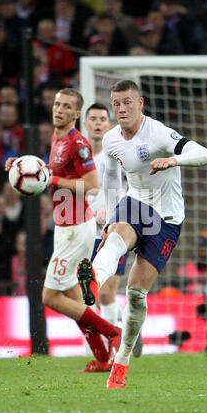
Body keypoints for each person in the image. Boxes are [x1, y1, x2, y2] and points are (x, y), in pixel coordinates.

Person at [77, 79, 207, 388]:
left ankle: (121, 363)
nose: (122, 108)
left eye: (127, 102)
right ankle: (93, 280)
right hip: (135, 204)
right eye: (116, 103)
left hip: (168, 219)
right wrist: (109, 216)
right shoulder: (111, 140)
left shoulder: (159, 133)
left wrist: (173, 160)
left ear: (140, 104)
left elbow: (205, 154)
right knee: (116, 236)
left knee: (136, 295)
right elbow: (111, 181)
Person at [5, 87, 122, 373]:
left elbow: (92, 186)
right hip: (63, 225)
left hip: (75, 229)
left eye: (67, 106)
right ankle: (103, 358)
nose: (59, 109)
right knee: (72, 298)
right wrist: (21, 167)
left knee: (49, 297)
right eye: (57, 104)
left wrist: (49, 178)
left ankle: (112, 332)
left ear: (76, 113)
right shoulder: (57, 137)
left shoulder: (78, 143)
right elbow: (55, 173)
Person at [84, 102, 143, 364]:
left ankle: (108, 353)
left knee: (104, 293)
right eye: (93, 118)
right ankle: (123, 317)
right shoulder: (78, 156)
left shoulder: (117, 152)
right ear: (85, 124)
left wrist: (113, 214)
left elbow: (128, 188)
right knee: (87, 294)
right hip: (83, 233)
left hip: (113, 230)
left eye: (102, 119)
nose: (97, 123)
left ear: (109, 125)